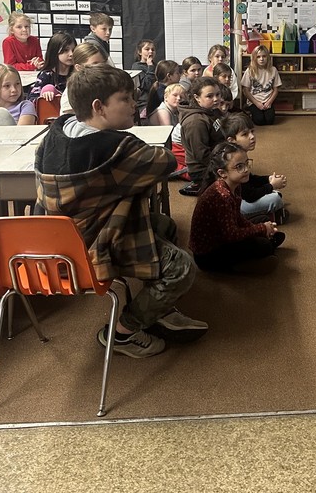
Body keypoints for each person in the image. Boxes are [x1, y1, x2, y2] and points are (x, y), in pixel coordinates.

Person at [34, 64, 206, 358]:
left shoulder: (56, 132)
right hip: (94, 246)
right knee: (182, 267)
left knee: (163, 225)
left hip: (53, 243)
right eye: (125, 99)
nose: (134, 103)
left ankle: (157, 306)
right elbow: (165, 162)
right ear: (99, 107)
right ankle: (123, 332)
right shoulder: (117, 149)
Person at [189, 142, 284, 272]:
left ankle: (265, 245)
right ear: (222, 173)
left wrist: (260, 228)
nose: (246, 169)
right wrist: (261, 229)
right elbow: (231, 235)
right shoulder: (222, 196)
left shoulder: (235, 185)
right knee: (263, 244)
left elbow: (237, 217)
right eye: (239, 166)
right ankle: (246, 264)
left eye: (246, 163)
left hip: (223, 235)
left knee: (261, 220)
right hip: (208, 255)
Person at [220, 112, 288, 223]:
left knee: (274, 194)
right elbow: (249, 195)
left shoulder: (238, 154)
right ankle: (256, 218)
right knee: (275, 199)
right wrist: (271, 186)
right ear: (231, 140)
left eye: (252, 131)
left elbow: (249, 179)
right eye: (245, 134)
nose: (252, 137)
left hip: (240, 198)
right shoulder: (233, 161)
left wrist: (268, 179)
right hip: (233, 206)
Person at [177, 76, 225, 196]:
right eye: (209, 96)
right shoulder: (196, 122)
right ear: (197, 98)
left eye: (218, 94)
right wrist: (227, 165)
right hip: (203, 170)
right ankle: (200, 185)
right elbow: (202, 156)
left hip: (217, 158)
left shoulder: (211, 110)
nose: (216, 99)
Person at [28, 31, 76, 104]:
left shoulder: (78, 73)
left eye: (73, 50)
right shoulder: (46, 75)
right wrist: (43, 96)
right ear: (54, 51)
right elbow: (31, 100)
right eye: (65, 50)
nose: (71, 54)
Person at [60, 42, 106, 116]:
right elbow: (70, 120)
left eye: (103, 63)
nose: (100, 67)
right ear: (79, 67)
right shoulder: (73, 91)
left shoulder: (106, 84)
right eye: (95, 64)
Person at [240, 44, 282, 126]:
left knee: (270, 120)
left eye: (264, 56)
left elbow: (276, 89)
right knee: (259, 121)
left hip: (268, 100)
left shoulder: (273, 70)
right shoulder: (250, 71)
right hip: (254, 101)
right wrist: (256, 103)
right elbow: (245, 90)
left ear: (268, 57)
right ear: (254, 58)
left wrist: (269, 102)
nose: (261, 59)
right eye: (258, 57)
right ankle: (251, 112)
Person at [131, 39, 156, 122]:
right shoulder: (137, 67)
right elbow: (147, 85)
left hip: (156, 101)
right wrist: (150, 67)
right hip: (144, 104)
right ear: (140, 52)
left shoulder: (155, 65)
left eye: (153, 49)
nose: (150, 52)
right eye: (147, 49)